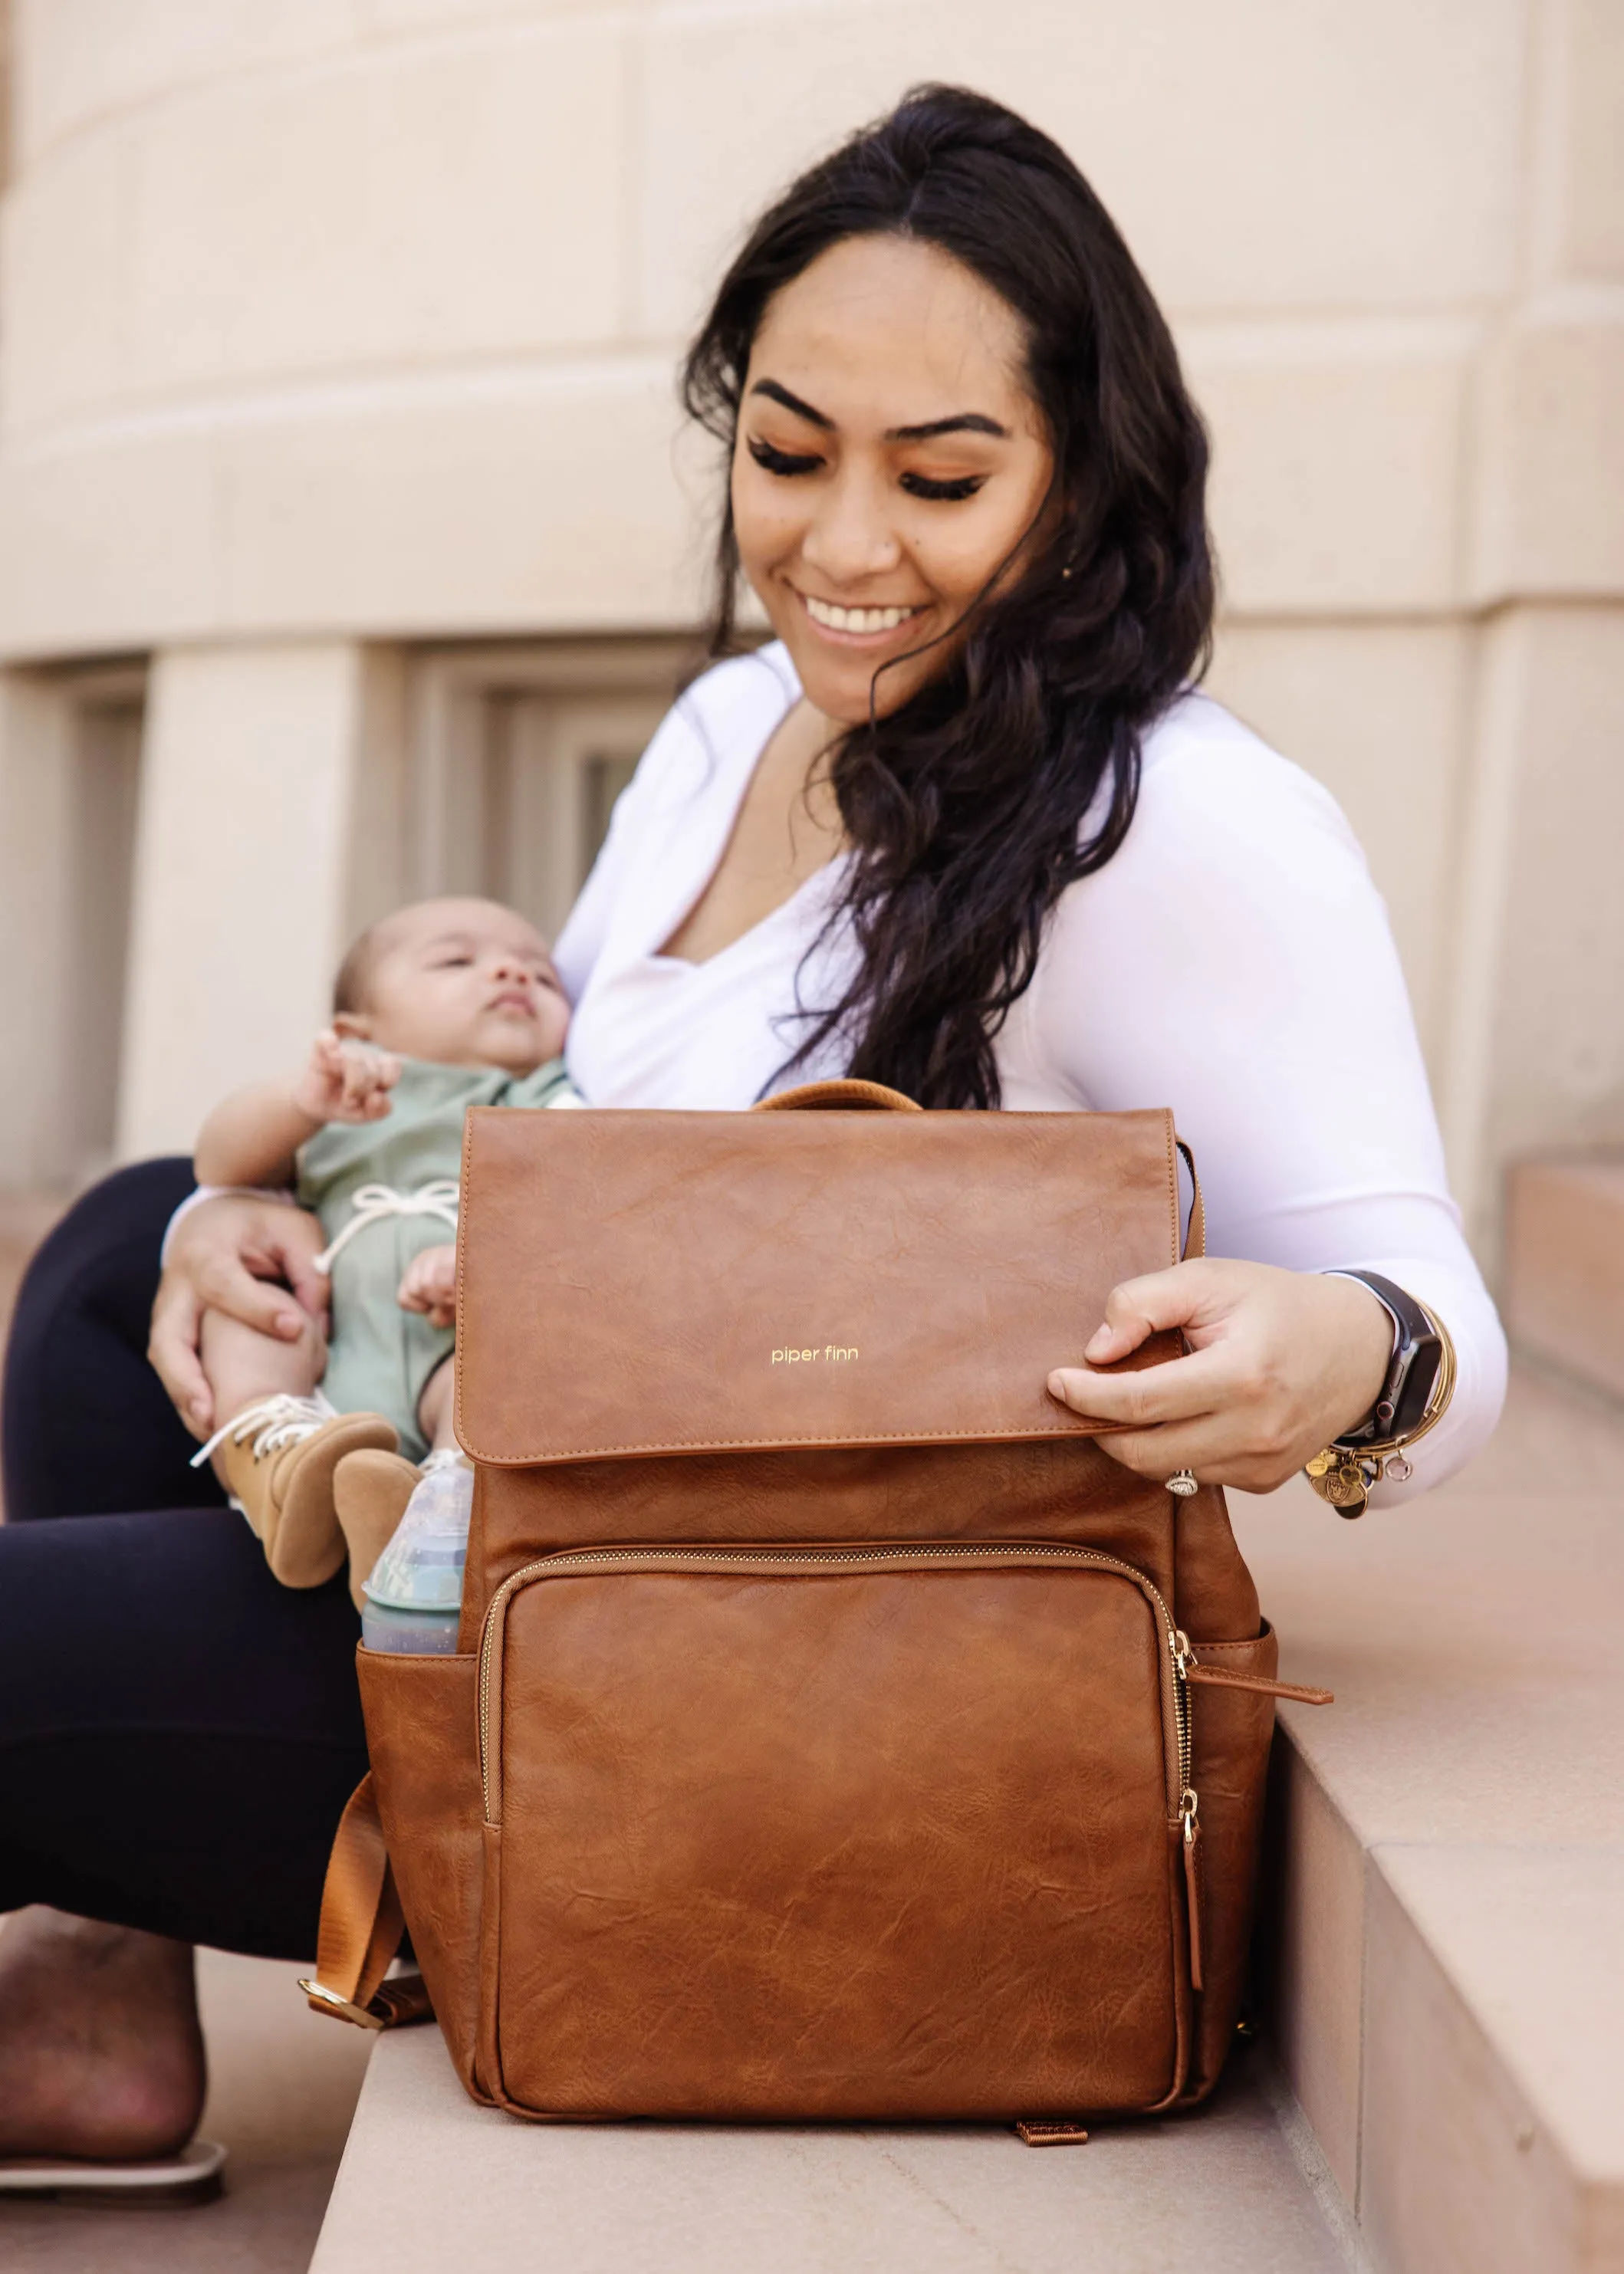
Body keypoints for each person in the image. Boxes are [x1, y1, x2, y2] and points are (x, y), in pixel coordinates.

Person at [0, 83, 1504, 2175]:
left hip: (717, 1670)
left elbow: (1435, 1338)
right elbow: (571, 1121)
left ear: (1083, 477)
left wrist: (1332, 1352)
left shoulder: (1179, 828)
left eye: (942, 475)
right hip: (490, 1500)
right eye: (788, 456)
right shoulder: (730, 723)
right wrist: (256, 1219)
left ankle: (235, 1858)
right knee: (129, 1235)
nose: (845, 547)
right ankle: (93, 1996)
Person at [186, 895, 577, 1605]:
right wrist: (303, 1100)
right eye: (458, 960)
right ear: (355, 1029)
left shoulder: (553, 1102)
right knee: (247, 1304)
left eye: (543, 976)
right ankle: (278, 1463)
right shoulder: (339, 1097)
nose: (511, 975)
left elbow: (589, 1211)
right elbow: (217, 1164)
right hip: (328, 1349)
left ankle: (430, 1525)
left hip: (452, 1348)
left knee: (491, 1384)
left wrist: (492, 1259)